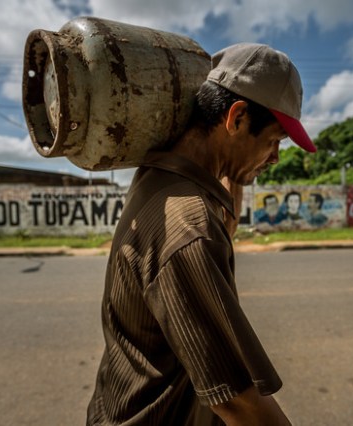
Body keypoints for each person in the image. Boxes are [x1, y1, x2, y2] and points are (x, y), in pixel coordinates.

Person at [87, 42, 316, 426]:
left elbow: (220, 202)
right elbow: (237, 402)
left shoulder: (159, 175)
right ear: (237, 118)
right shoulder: (189, 226)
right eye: (274, 140)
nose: (275, 157)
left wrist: (236, 165)